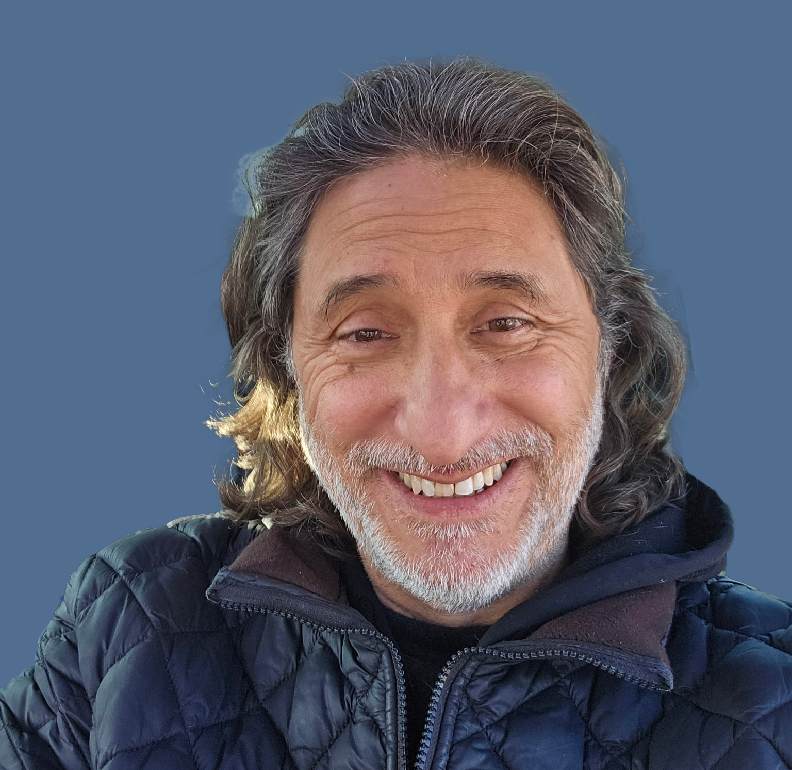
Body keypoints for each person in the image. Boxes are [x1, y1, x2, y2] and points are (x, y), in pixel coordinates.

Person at [1, 57, 790, 770]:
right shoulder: (124, 630)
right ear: (286, 370)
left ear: (611, 348)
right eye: (365, 333)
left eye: (506, 323)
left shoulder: (774, 701)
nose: (441, 430)